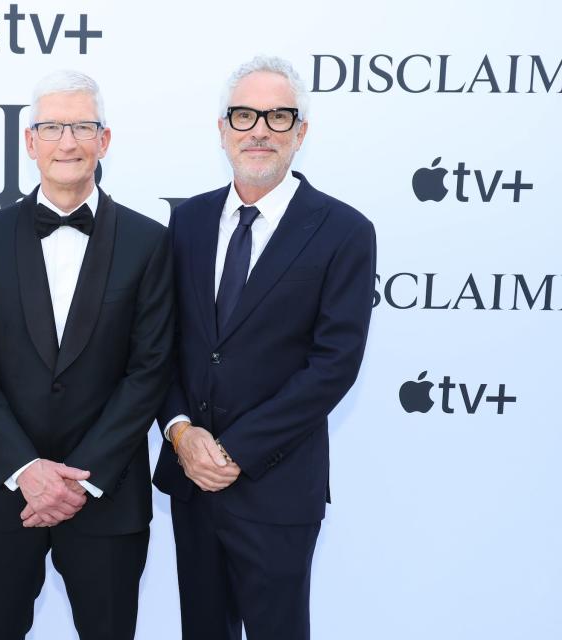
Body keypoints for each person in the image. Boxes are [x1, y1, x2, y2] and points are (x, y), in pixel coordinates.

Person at [154, 56, 377, 640]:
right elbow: (162, 344)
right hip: (192, 479)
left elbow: (334, 365)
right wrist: (180, 432)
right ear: (223, 129)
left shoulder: (345, 231)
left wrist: (233, 450)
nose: (260, 129)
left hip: (277, 486)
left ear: (301, 132)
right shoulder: (188, 222)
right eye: (245, 115)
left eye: (278, 117)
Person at [0, 70, 173, 640]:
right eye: (52, 127)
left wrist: (77, 479)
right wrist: (26, 471)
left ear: (105, 140)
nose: (67, 142)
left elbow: (148, 370)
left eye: (81, 127)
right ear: (29, 142)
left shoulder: (150, 242)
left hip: (107, 495)